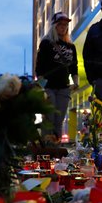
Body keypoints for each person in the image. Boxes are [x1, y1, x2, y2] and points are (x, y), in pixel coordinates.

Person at [35, 11, 79, 141]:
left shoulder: (71, 46)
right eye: (60, 24)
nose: (63, 27)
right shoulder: (46, 43)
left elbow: (73, 66)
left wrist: (76, 82)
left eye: (65, 25)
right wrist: (41, 87)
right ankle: (45, 150)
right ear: (54, 26)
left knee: (59, 120)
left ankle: (56, 149)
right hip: (49, 87)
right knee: (49, 118)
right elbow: (39, 67)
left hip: (64, 87)